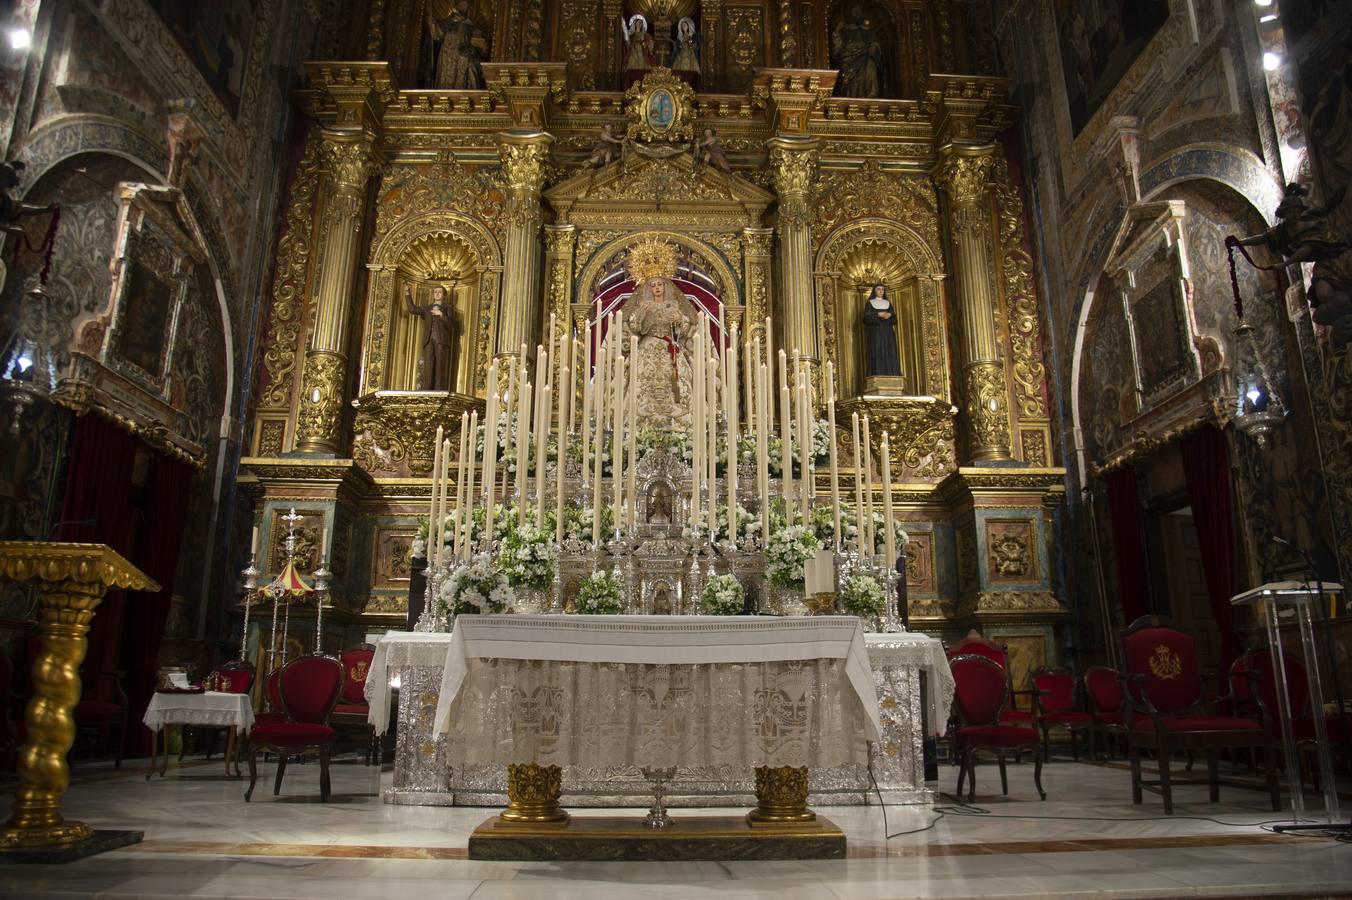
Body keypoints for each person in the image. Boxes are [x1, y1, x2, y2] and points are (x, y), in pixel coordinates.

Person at [404, 283, 456, 391]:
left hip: (441, 340)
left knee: (440, 366)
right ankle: (427, 390)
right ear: (433, 295)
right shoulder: (427, 308)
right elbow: (412, 309)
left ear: (444, 295)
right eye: (435, 292)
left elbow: (452, 325)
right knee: (428, 365)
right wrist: (408, 293)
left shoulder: (447, 307)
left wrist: (441, 315)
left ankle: (439, 390)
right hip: (428, 340)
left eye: (440, 292)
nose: (437, 294)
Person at [425, 0, 486, 90]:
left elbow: (479, 45)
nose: (466, 5)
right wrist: (432, 23)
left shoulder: (470, 24)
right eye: (463, 2)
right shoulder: (449, 21)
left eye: (467, 3)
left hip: (465, 57)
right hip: (449, 56)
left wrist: (476, 49)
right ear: (457, 4)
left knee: (471, 71)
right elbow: (438, 34)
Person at [832, 6, 883, 98]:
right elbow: (838, 45)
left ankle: (871, 92)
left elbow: (875, 43)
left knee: (871, 66)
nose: (857, 15)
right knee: (847, 76)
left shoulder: (868, 31)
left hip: (865, 56)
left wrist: (873, 46)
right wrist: (837, 32)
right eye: (854, 13)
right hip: (849, 59)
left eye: (858, 13)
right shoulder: (845, 30)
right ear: (850, 15)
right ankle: (849, 94)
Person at [862, 284, 901, 377]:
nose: (881, 291)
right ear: (875, 291)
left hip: (887, 333)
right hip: (875, 333)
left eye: (882, 289)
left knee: (889, 352)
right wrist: (878, 315)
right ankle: (877, 374)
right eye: (879, 289)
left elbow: (895, 319)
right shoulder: (870, 303)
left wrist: (890, 315)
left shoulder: (888, 303)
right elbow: (866, 319)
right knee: (877, 351)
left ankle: (892, 375)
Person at [620, 13, 654, 87]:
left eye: (640, 23)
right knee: (631, 64)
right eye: (637, 23)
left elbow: (650, 42)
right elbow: (627, 43)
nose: (639, 25)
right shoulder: (631, 34)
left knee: (642, 64)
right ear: (634, 24)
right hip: (633, 51)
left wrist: (646, 43)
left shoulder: (645, 34)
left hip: (642, 51)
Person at [671, 16, 702, 88]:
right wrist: (678, 45)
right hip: (681, 53)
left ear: (688, 26)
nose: (684, 27)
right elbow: (678, 46)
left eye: (685, 25)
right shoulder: (680, 37)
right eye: (682, 26)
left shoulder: (691, 36)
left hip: (689, 53)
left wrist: (690, 42)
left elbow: (694, 46)